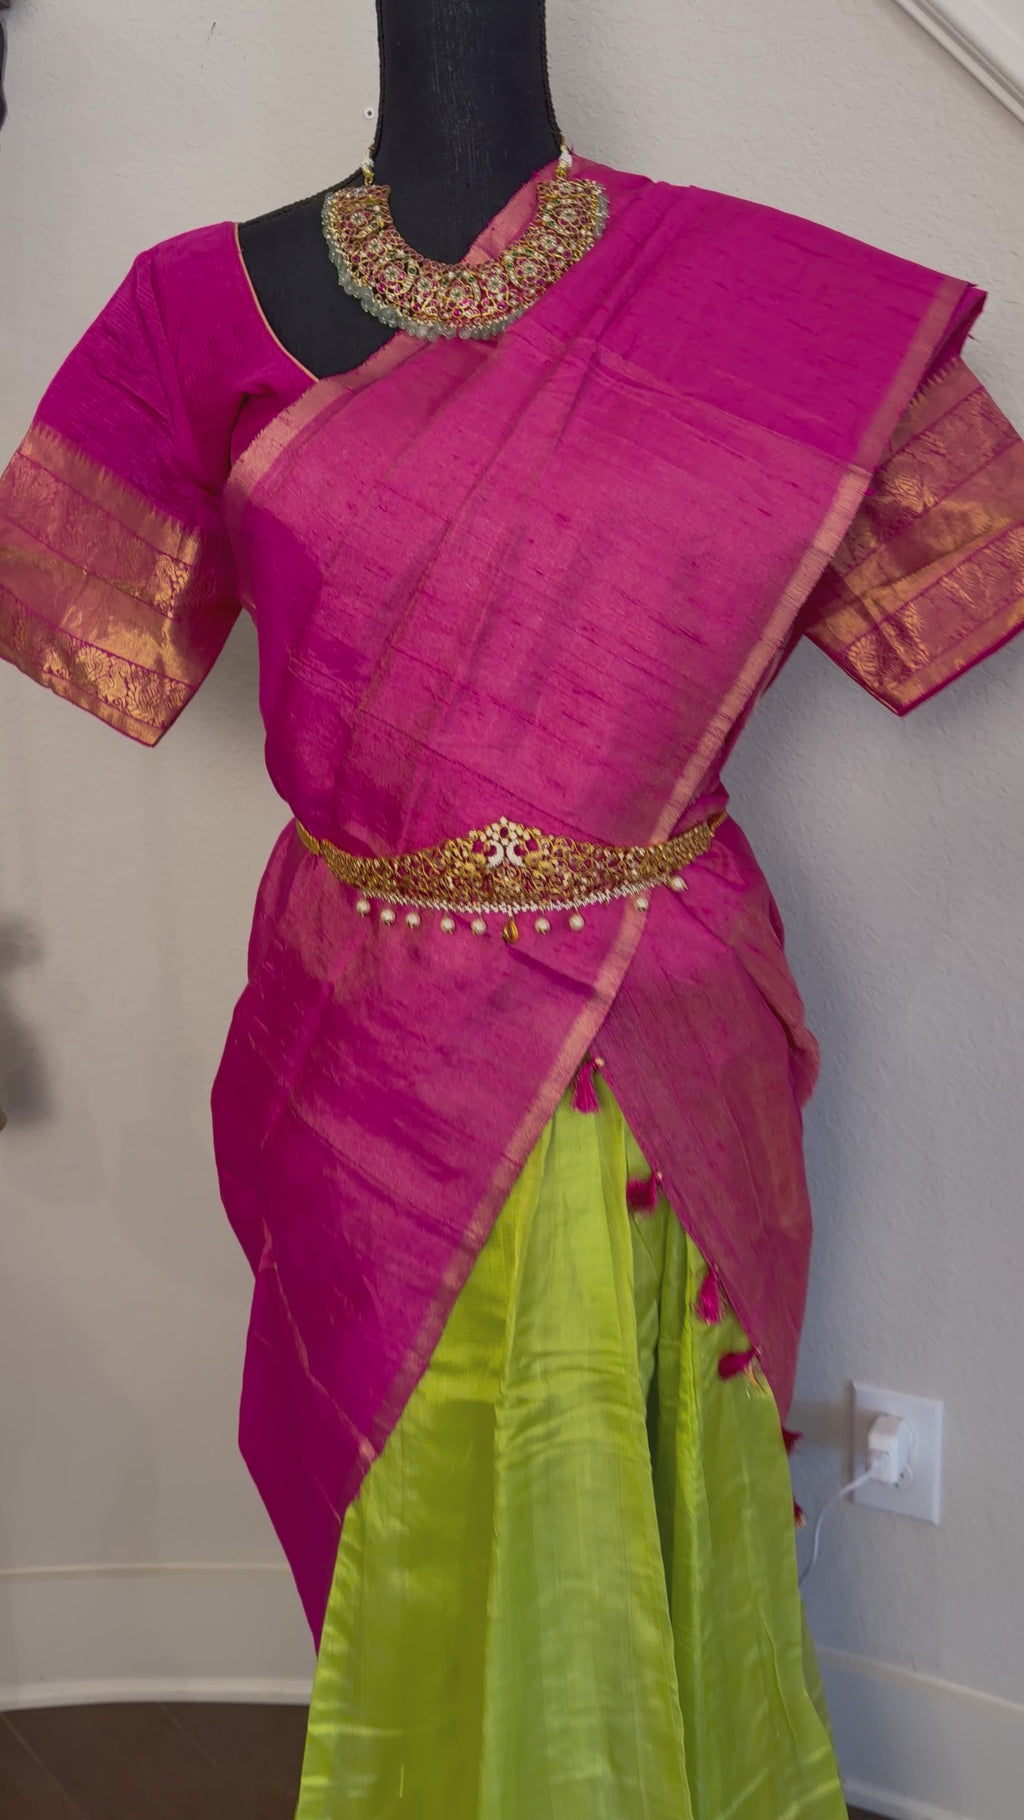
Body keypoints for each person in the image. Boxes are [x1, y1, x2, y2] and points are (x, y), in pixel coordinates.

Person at [1, 3, 1022, 1815]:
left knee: (647, 1439)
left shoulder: (778, 307)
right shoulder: (190, 310)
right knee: (416, 1467)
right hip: (354, 1035)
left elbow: (950, 576)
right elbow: (96, 618)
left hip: (666, 1021)